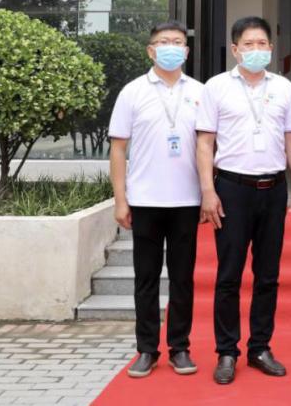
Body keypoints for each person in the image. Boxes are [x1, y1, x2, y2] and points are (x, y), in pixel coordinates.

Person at [196, 16, 291, 385]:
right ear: (235, 49)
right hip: (232, 189)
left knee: (268, 275)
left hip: (273, 189)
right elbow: (204, 143)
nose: (256, 50)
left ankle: (260, 347)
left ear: (271, 48)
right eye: (248, 44)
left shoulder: (284, 88)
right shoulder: (216, 87)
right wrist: (208, 191)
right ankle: (227, 351)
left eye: (262, 44)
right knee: (229, 275)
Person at [108, 21, 204, 379]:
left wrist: (208, 193)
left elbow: (209, 146)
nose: (171, 47)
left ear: (186, 51)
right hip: (145, 200)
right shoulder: (132, 92)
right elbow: (118, 149)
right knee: (145, 279)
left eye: (177, 42)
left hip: (187, 200)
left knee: (183, 279)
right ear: (151, 50)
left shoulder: (200, 92)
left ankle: (180, 347)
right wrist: (121, 199)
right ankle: (147, 348)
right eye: (164, 42)